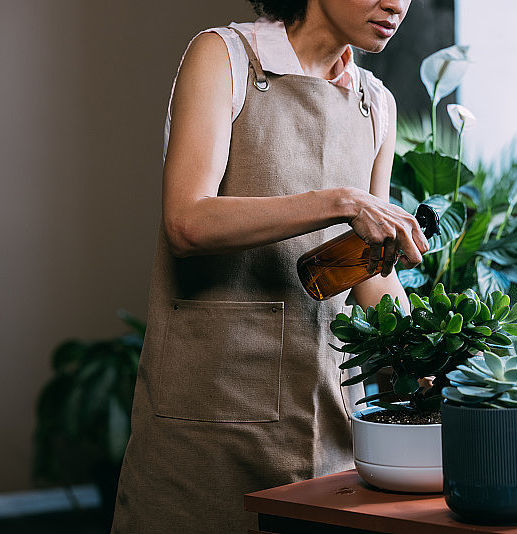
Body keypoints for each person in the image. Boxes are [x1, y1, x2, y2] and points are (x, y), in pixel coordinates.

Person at [111, 1, 421, 532]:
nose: (397, 4)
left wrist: (426, 359)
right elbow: (187, 222)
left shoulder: (375, 103)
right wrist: (341, 201)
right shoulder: (224, 56)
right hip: (207, 419)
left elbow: (370, 270)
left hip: (326, 414)